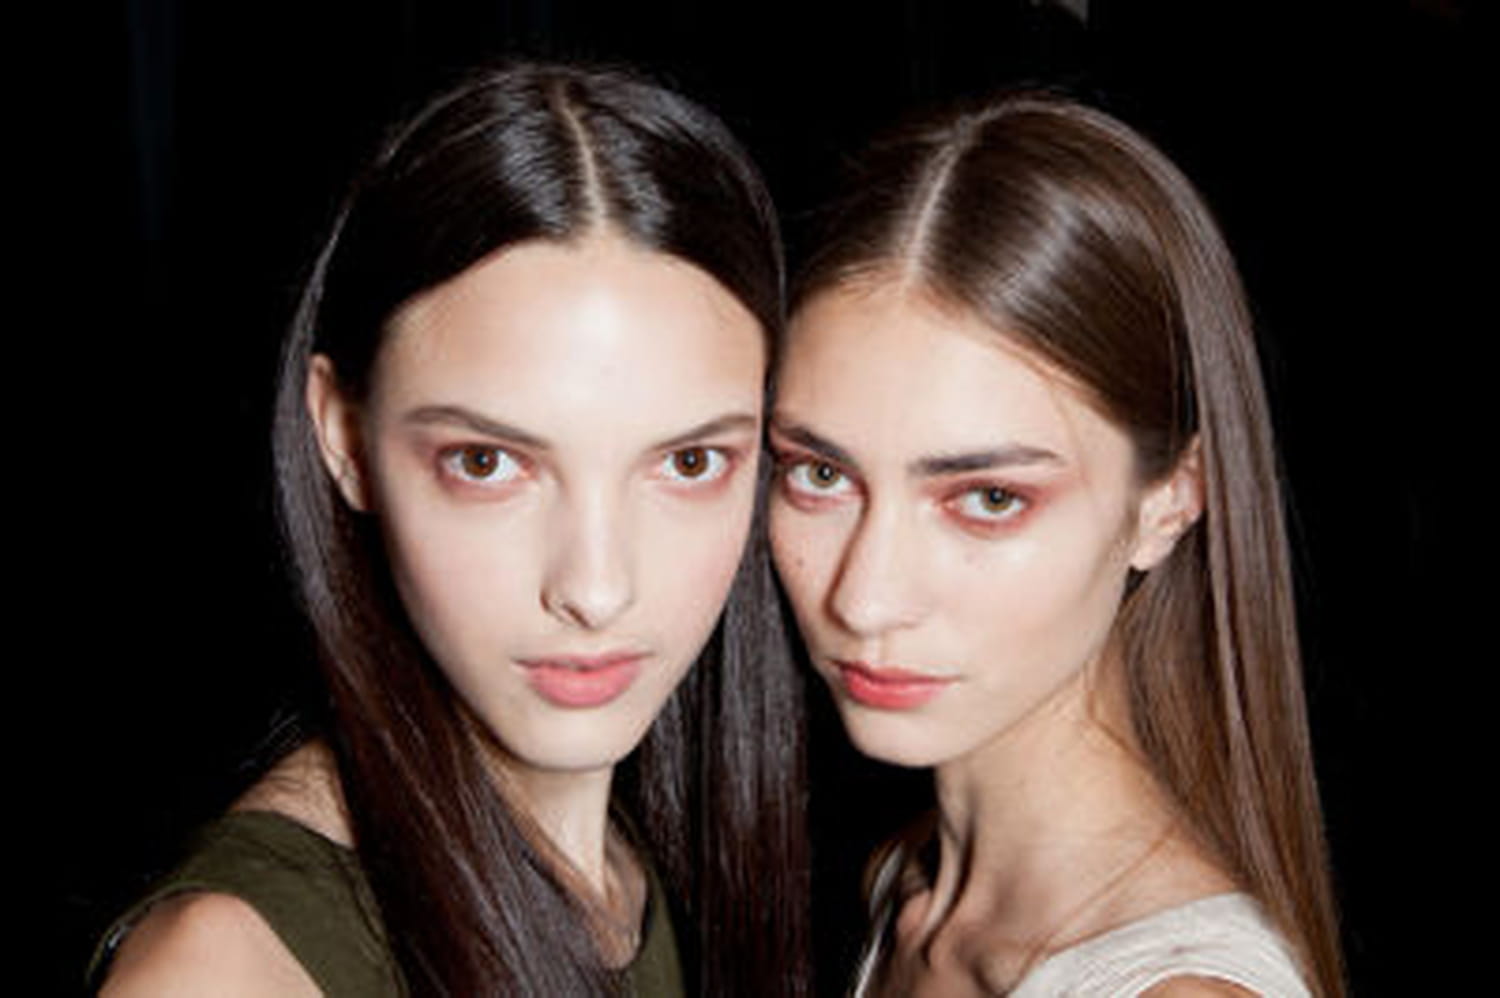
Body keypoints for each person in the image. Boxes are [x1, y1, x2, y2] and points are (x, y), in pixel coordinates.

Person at [92, 62, 809, 996]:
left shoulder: (637, 866)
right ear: (343, 437)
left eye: (688, 463)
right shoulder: (226, 970)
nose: (596, 589)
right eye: (487, 463)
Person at [769, 93, 1342, 996]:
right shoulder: (909, 886)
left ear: (1170, 500)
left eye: (989, 498)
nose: (865, 598)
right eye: (821, 475)